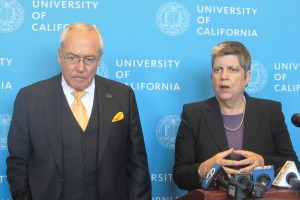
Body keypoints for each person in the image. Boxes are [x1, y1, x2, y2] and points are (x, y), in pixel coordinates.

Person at [6, 22, 152, 200]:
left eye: (89, 59)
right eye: (72, 58)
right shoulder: (29, 99)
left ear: (99, 59)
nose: (81, 68)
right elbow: (18, 165)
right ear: (60, 56)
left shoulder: (123, 96)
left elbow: (138, 166)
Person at [172, 40, 300, 192]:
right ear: (211, 76)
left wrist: (263, 162)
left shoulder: (271, 112)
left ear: (247, 77)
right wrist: (203, 168)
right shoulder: (193, 114)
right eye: (217, 69)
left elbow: (293, 165)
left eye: (232, 69)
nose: (223, 76)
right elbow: (179, 176)